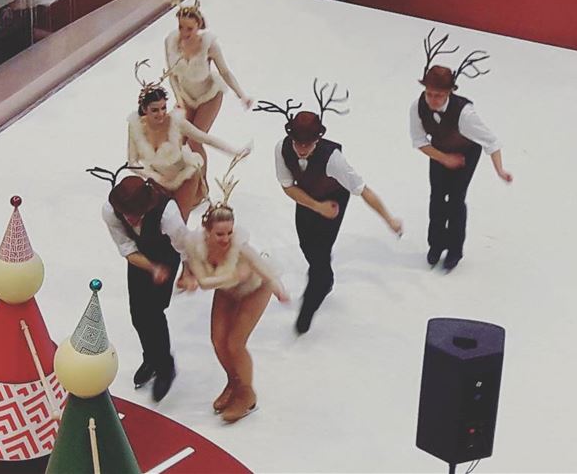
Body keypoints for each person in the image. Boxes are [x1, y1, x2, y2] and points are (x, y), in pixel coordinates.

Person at [257, 82, 403, 335]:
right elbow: (287, 186)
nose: (302, 148)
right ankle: (324, 279)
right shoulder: (282, 149)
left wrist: (389, 219)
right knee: (306, 245)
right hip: (307, 198)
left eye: (308, 143)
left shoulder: (334, 160)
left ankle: (310, 306)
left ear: (317, 139)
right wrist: (315, 206)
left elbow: (363, 190)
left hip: (333, 199)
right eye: (297, 142)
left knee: (320, 254)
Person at [177, 156, 289, 423]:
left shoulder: (241, 245)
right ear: (206, 231)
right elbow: (202, 279)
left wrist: (278, 288)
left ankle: (247, 396)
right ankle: (234, 383)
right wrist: (200, 276)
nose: (226, 239)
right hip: (227, 288)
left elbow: (264, 269)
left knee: (235, 343)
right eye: (220, 234)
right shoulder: (195, 246)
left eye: (229, 233)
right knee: (218, 341)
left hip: (254, 289)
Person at [410, 35, 512, 271]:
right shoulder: (417, 106)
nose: (432, 99)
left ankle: (454, 250)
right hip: (438, 153)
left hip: (465, 155)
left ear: (448, 93)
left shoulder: (465, 114)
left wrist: (499, 170)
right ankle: (436, 244)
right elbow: (418, 141)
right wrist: (443, 158)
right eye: (429, 93)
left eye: (438, 95)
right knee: (436, 199)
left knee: (455, 201)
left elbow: (491, 141)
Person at [91, 166, 191, 402]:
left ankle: (166, 366)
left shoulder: (168, 214)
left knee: (155, 313)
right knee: (138, 314)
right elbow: (127, 248)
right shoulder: (110, 211)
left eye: (135, 213)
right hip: (140, 258)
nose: (130, 218)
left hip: (166, 255)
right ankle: (151, 358)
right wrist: (151, 268)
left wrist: (186, 272)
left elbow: (184, 246)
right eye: (126, 213)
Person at [129, 62, 250, 221]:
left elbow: (204, 138)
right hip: (158, 183)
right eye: (155, 110)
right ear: (145, 109)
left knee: (177, 226)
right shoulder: (135, 127)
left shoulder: (176, 122)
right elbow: (132, 162)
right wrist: (156, 178)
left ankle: (200, 193)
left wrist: (234, 151)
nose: (161, 114)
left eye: (164, 108)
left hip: (185, 177)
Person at [164, 0, 252, 182]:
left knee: (196, 142)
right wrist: (179, 100)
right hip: (186, 97)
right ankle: (182, 180)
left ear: (199, 26)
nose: (184, 33)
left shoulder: (209, 45)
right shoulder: (171, 42)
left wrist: (241, 95)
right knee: (175, 138)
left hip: (209, 97)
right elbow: (171, 75)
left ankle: (201, 187)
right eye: (181, 27)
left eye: (189, 28)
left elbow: (225, 72)